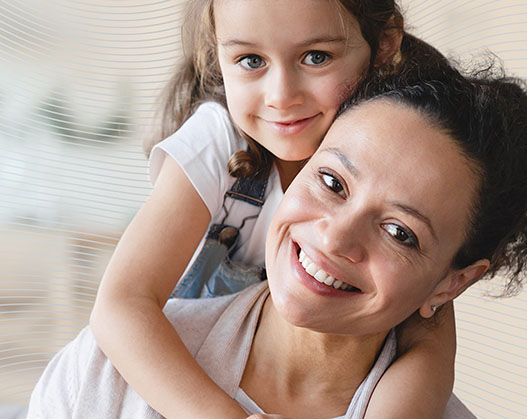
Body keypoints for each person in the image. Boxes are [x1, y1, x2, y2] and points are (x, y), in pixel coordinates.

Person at [27, 55, 527, 419]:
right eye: (332, 181)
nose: (336, 236)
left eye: (400, 232)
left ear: (450, 283)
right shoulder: (107, 371)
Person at [88, 0, 459, 417]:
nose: (281, 96)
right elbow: (121, 304)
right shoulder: (219, 142)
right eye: (251, 60)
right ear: (217, 54)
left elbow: (429, 345)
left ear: (385, 43)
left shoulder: (388, 152)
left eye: (316, 57)